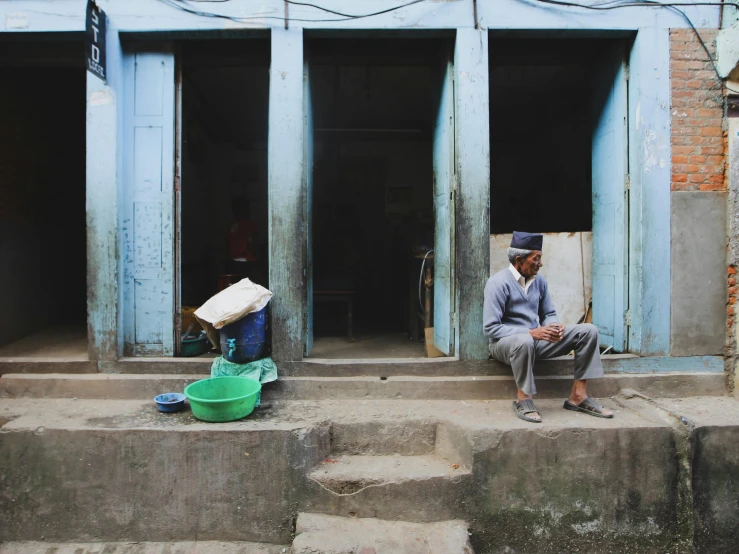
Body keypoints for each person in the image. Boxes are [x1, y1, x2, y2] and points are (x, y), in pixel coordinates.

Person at [483, 231, 613, 423]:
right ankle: (523, 399)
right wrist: (531, 332)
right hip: (506, 345)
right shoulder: (497, 283)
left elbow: (548, 314)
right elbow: (491, 328)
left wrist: (553, 327)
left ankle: (578, 396)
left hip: (535, 341)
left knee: (588, 331)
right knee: (524, 340)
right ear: (519, 260)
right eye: (536, 259)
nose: (540, 263)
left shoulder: (539, 281)